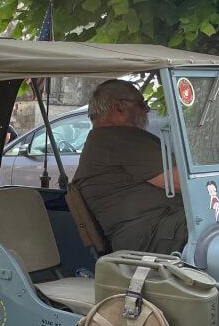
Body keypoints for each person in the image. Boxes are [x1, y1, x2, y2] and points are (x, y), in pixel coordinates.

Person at [72, 80, 186, 254]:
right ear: (119, 108)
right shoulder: (118, 139)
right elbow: (181, 182)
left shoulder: (103, 140)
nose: (146, 111)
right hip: (149, 235)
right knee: (218, 230)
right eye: (142, 104)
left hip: (155, 230)